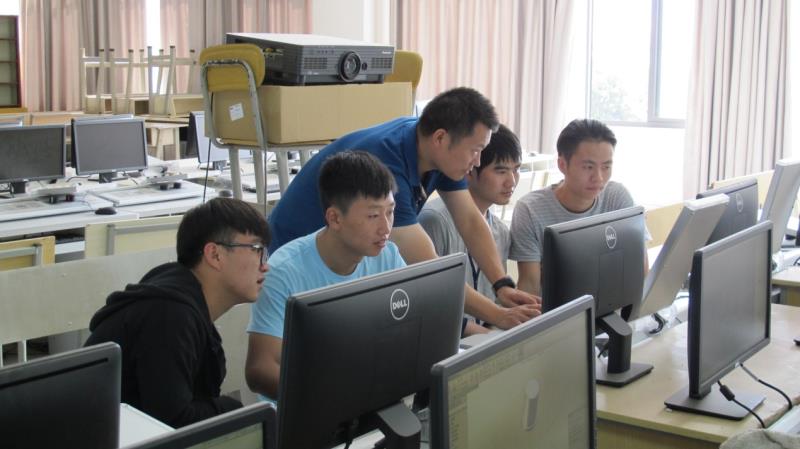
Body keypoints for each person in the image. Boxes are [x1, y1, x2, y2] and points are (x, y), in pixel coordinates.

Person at [267, 87, 539, 329]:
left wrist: (502, 284)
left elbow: (469, 220)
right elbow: (430, 267)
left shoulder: (437, 152)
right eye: (475, 150)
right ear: (441, 138)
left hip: (350, 257)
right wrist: (498, 315)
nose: (477, 161)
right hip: (302, 254)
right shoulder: (387, 161)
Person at [84, 198, 270, 427]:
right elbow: (174, 422)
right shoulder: (169, 314)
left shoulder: (181, 301)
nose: (265, 265)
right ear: (215, 255)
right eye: (257, 250)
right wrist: (233, 409)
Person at [245, 151, 406, 401]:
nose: (386, 228)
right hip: (309, 408)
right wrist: (334, 399)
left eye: (390, 212)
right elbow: (259, 370)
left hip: (368, 398)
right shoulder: (284, 271)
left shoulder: (388, 256)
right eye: (373, 216)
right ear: (335, 218)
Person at [510, 118, 645, 295]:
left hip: (613, 303)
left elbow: (640, 268)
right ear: (562, 165)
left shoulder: (617, 197)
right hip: (558, 309)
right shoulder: (530, 210)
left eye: (606, 167)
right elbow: (530, 287)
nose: (598, 178)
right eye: (588, 167)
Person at [419, 124, 522, 335]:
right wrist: (490, 336)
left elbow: (497, 302)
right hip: (445, 340)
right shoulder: (434, 221)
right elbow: (427, 304)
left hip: (481, 339)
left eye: (516, 169)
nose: (511, 181)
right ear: (470, 171)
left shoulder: (500, 231)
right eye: (501, 171)